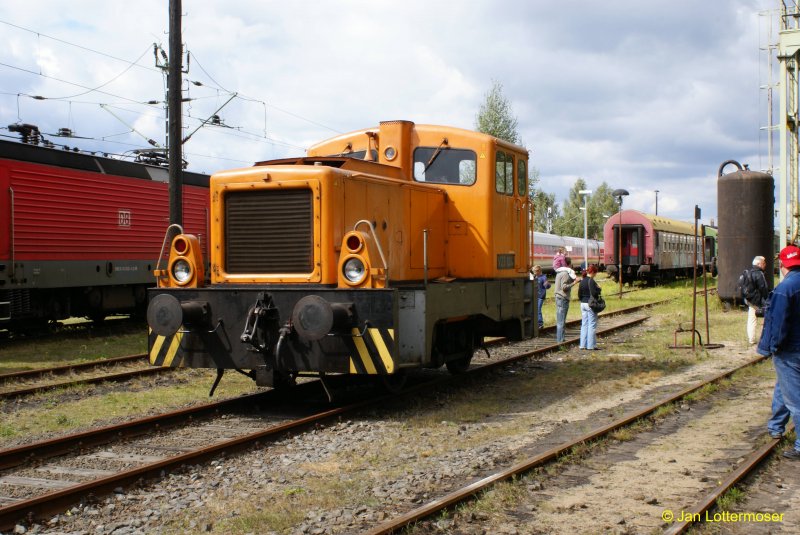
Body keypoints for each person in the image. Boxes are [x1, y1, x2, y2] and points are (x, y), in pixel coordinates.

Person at [757, 245, 800, 459]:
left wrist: (772, 346)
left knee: (795, 399)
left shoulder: (785, 288)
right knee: (783, 388)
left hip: (790, 349)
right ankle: (776, 426)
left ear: (782, 265)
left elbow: (779, 322)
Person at [554, 257, 581, 343]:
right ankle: (560, 341)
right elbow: (564, 287)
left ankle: (560, 339)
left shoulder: (559, 272)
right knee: (561, 321)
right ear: (569, 264)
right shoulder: (565, 274)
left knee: (559, 320)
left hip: (558, 297)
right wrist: (574, 283)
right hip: (563, 298)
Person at [744, 255, 769, 345]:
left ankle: (751, 339)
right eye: (763, 263)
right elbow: (763, 288)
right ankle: (766, 339)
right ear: (759, 264)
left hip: (750, 300)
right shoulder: (759, 274)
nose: (765, 265)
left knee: (752, 319)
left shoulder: (748, 272)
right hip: (759, 301)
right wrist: (767, 300)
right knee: (767, 318)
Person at [578, 264, 601, 350]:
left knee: (584, 325)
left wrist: (582, 300)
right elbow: (594, 293)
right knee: (592, 325)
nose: (596, 275)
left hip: (583, 304)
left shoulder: (582, 280)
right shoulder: (591, 281)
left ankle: (582, 345)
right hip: (590, 304)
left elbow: (579, 294)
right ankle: (591, 346)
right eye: (596, 273)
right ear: (593, 272)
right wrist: (599, 289)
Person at [532, 265, 551, 329]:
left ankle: (540, 324)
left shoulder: (543, 277)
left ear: (539, 271)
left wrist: (547, 285)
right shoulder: (535, 276)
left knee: (538, 309)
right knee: (535, 309)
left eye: (535, 272)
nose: (534, 273)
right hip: (535, 295)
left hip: (540, 296)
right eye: (533, 272)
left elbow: (547, 286)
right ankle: (535, 323)